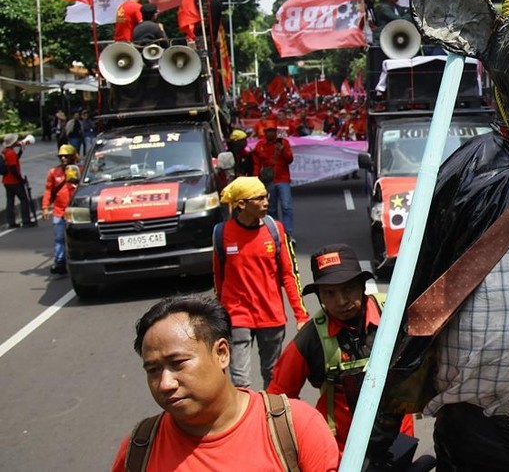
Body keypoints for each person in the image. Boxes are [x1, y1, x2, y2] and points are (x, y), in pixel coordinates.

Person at [110, 295, 340, 471]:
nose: (165, 384)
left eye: (178, 363)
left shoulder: (298, 427)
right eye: (153, 370)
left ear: (222, 353)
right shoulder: (138, 449)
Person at [268, 244, 415, 452]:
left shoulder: (394, 315)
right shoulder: (311, 338)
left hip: (399, 442)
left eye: (348, 289)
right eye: (329, 293)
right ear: (319, 296)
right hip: (343, 453)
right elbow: (277, 397)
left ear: (362, 286)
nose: (341, 301)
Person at [213, 176, 309, 389]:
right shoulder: (222, 233)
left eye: (266, 197)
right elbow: (219, 278)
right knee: (240, 380)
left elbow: (289, 275)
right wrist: (219, 315)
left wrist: (300, 315)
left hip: (271, 317)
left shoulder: (275, 230)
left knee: (272, 374)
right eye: (259, 198)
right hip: (237, 316)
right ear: (241, 205)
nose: (266, 202)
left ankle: (268, 417)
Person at [252, 120, 296, 241]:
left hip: (283, 180)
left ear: (276, 132)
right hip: (268, 181)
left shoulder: (284, 143)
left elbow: (290, 159)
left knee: (286, 206)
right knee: (271, 209)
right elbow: (256, 164)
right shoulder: (260, 145)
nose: (271, 133)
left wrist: (282, 150)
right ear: (265, 132)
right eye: (268, 131)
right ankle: (276, 233)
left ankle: (288, 234)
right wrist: (255, 178)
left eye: (273, 131)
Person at [41, 145, 79, 275]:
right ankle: (60, 262)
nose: (63, 158)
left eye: (66, 156)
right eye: (61, 156)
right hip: (58, 211)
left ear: (73, 156)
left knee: (79, 237)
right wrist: (45, 207)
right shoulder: (53, 172)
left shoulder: (80, 169)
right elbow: (48, 190)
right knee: (59, 238)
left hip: (76, 211)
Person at [3, 134, 35, 228]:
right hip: (14, 182)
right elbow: (13, 168)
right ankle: (26, 221)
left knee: (10, 202)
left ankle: (11, 222)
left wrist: (21, 151)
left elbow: (14, 160)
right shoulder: (11, 153)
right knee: (24, 199)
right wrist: (20, 180)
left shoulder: (5, 151)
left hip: (6, 181)